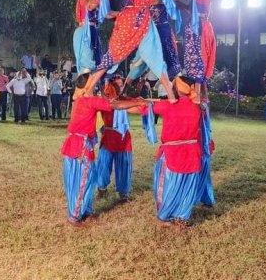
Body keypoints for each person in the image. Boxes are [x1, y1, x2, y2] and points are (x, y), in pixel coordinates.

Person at [81, 0, 170, 99]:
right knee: (155, 55)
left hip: (126, 23)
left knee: (109, 57)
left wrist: (92, 3)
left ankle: (90, 88)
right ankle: (171, 94)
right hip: (142, 22)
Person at [60, 73, 143, 226]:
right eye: (94, 81)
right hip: (81, 147)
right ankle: (75, 216)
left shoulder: (80, 99)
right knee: (83, 180)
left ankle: (86, 210)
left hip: (79, 144)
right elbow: (115, 105)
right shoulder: (89, 101)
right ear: (88, 86)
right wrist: (136, 102)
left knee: (88, 179)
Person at [145, 76, 203, 229]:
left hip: (173, 154)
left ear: (177, 88)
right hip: (192, 153)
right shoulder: (198, 106)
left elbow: (146, 108)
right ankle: (182, 217)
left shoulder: (168, 106)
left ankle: (164, 216)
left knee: (169, 185)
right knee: (188, 185)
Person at [173, 0, 216, 99]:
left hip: (199, 29)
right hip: (192, 29)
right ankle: (198, 95)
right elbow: (181, 0)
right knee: (191, 61)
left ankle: (197, 96)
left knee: (198, 60)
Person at [96, 78, 134, 201]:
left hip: (123, 137)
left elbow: (137, 105)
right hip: (109, 136)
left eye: (121, 85)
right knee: (104, 164)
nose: (119, 87)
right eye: (117, 85)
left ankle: (123, 192)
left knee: (124, 164)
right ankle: (101, 188)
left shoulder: (125, 100)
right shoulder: (105, 100)